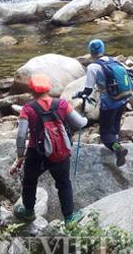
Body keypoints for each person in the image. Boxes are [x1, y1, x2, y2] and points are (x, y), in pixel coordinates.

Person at [10, 74, 87, 225]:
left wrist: (20, 156)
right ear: (49, 88)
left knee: (30, 181)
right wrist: (84, 115)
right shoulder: (62, 104)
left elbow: (21, 136)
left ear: (31, 90)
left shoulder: (28, 109)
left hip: (36, 152)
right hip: (60, 151)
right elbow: (80, 123)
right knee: (64, 183)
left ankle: (28, 212)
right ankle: (69, 218)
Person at [76, 39, 133, 167]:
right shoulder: (114, 61)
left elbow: (88, 90)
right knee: (114, 124)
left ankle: (118, 148)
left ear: (90, 52)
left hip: (109, 103)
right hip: (122, 99)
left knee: (105, 135)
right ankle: (116, 138)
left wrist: (80, 95)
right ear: (103, 49)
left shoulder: (93, 67)